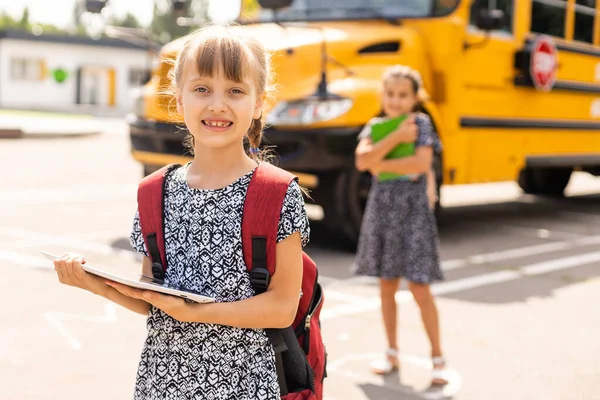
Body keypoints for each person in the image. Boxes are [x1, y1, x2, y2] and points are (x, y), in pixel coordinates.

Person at [52, 25, 310, 399]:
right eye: (202, 89)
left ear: (259, 104)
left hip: (243, 387)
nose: (218, 104)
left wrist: (196, 312)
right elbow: (153, 299)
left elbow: (282, 307)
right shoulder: (154, 192)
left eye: (235, 91)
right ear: (179, 98)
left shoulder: (276, 192)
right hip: (161, 385)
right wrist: (93, 283)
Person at [353, 64, 449, 385]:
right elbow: (362, 161)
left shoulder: (420, 123)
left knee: (420, 287)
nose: (395, 101)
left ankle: (437, 356)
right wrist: (394, 139)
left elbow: (421, 163)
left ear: (414, 98)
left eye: (403, 95)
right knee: (386, 285)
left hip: (413, 214)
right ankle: (391, 351)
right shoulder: (376, 126)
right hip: (383, 213)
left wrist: (380, 163)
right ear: (383, 95)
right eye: (390, 94)